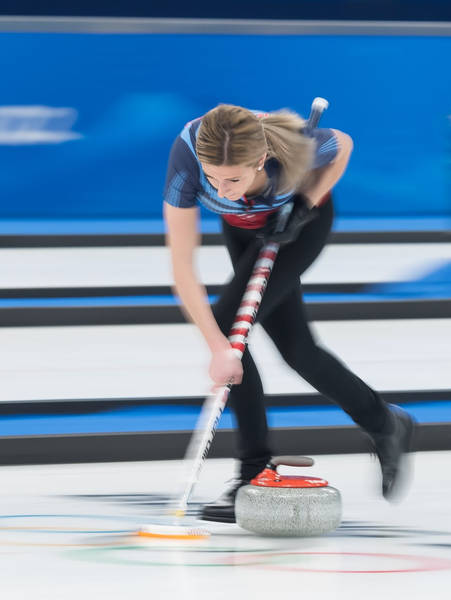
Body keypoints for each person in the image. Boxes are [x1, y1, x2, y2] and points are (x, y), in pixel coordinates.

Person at [162, 104, 415, 523]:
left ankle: (253, 473)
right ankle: (386, 424)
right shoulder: (187, 157)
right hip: (245, 228)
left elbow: (344, 145)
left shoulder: (292, 146)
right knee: (295, 348)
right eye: (212, 178)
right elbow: (182, 268)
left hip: (298, 224)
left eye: (234, 178)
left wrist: (306, 203)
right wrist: (216, 349)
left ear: (260, 160)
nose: (221, 189)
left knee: (231, 327)